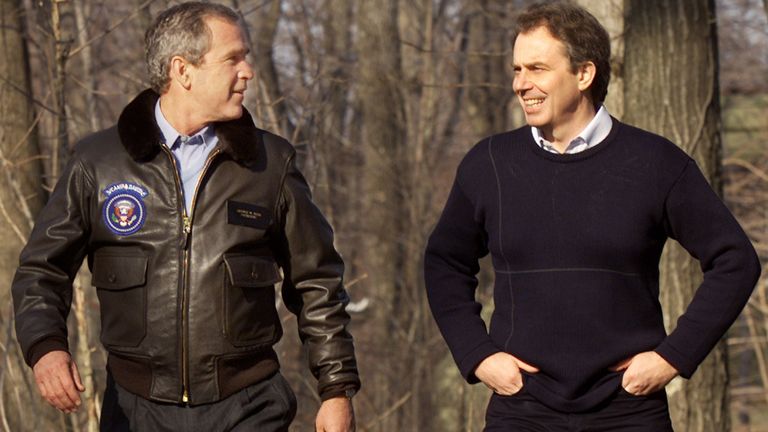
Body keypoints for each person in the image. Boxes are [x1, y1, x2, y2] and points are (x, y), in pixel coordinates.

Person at [12, 2, 359, 431]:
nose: (248, 70)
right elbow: (40, 271)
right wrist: (45, 347)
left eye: (247, 56)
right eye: (232, 58)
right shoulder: (97, 164)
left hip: (249, 406)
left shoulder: (271, 165)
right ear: (183, 71)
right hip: (134, 410)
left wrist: (336, 389)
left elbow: (317, 282)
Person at [424, 2, 760, 430]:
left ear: (584, 74)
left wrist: (671, 357)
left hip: (629, 411)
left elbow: (735, 260)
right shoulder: (488, 164)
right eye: (517, 70)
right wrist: (479, 355)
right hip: (523, 410)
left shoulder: (655, 163)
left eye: (537, 69)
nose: (520, 84)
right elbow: (444, 262)